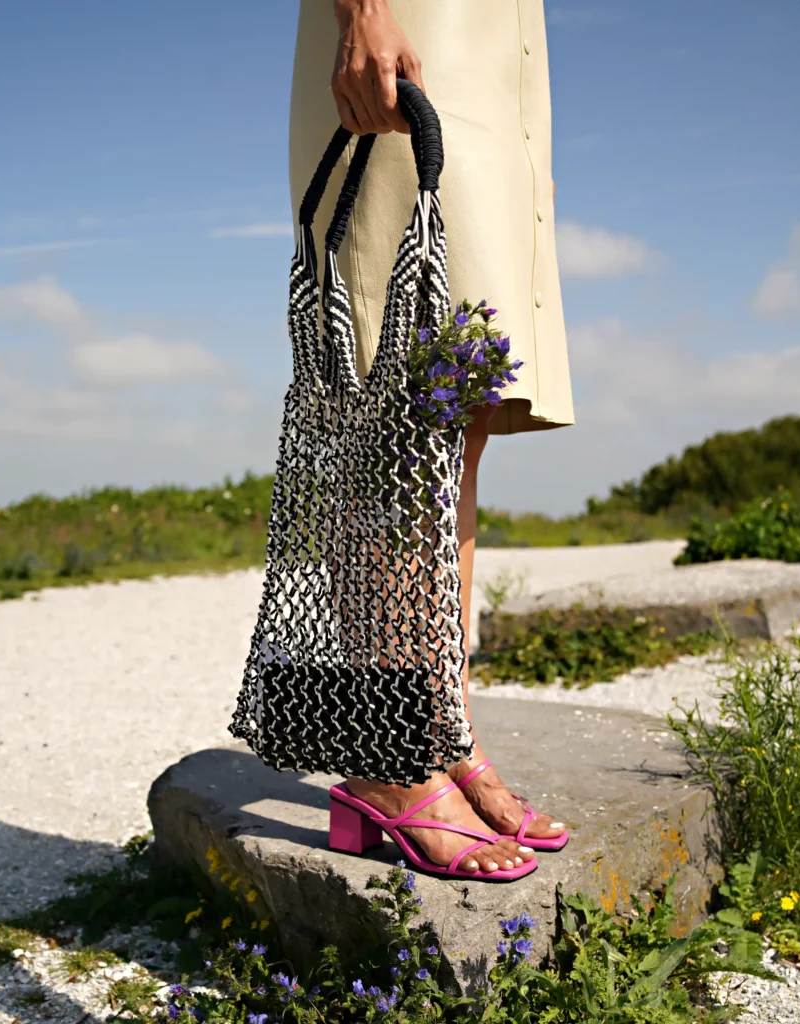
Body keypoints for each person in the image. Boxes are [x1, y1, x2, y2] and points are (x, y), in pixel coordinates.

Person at [289, 0, 574, 876]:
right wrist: (363, 11)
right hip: (406, 36)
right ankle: (388, 757)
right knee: (396, 405)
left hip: (494, 55)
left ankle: (441, 730)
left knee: (461, 405)